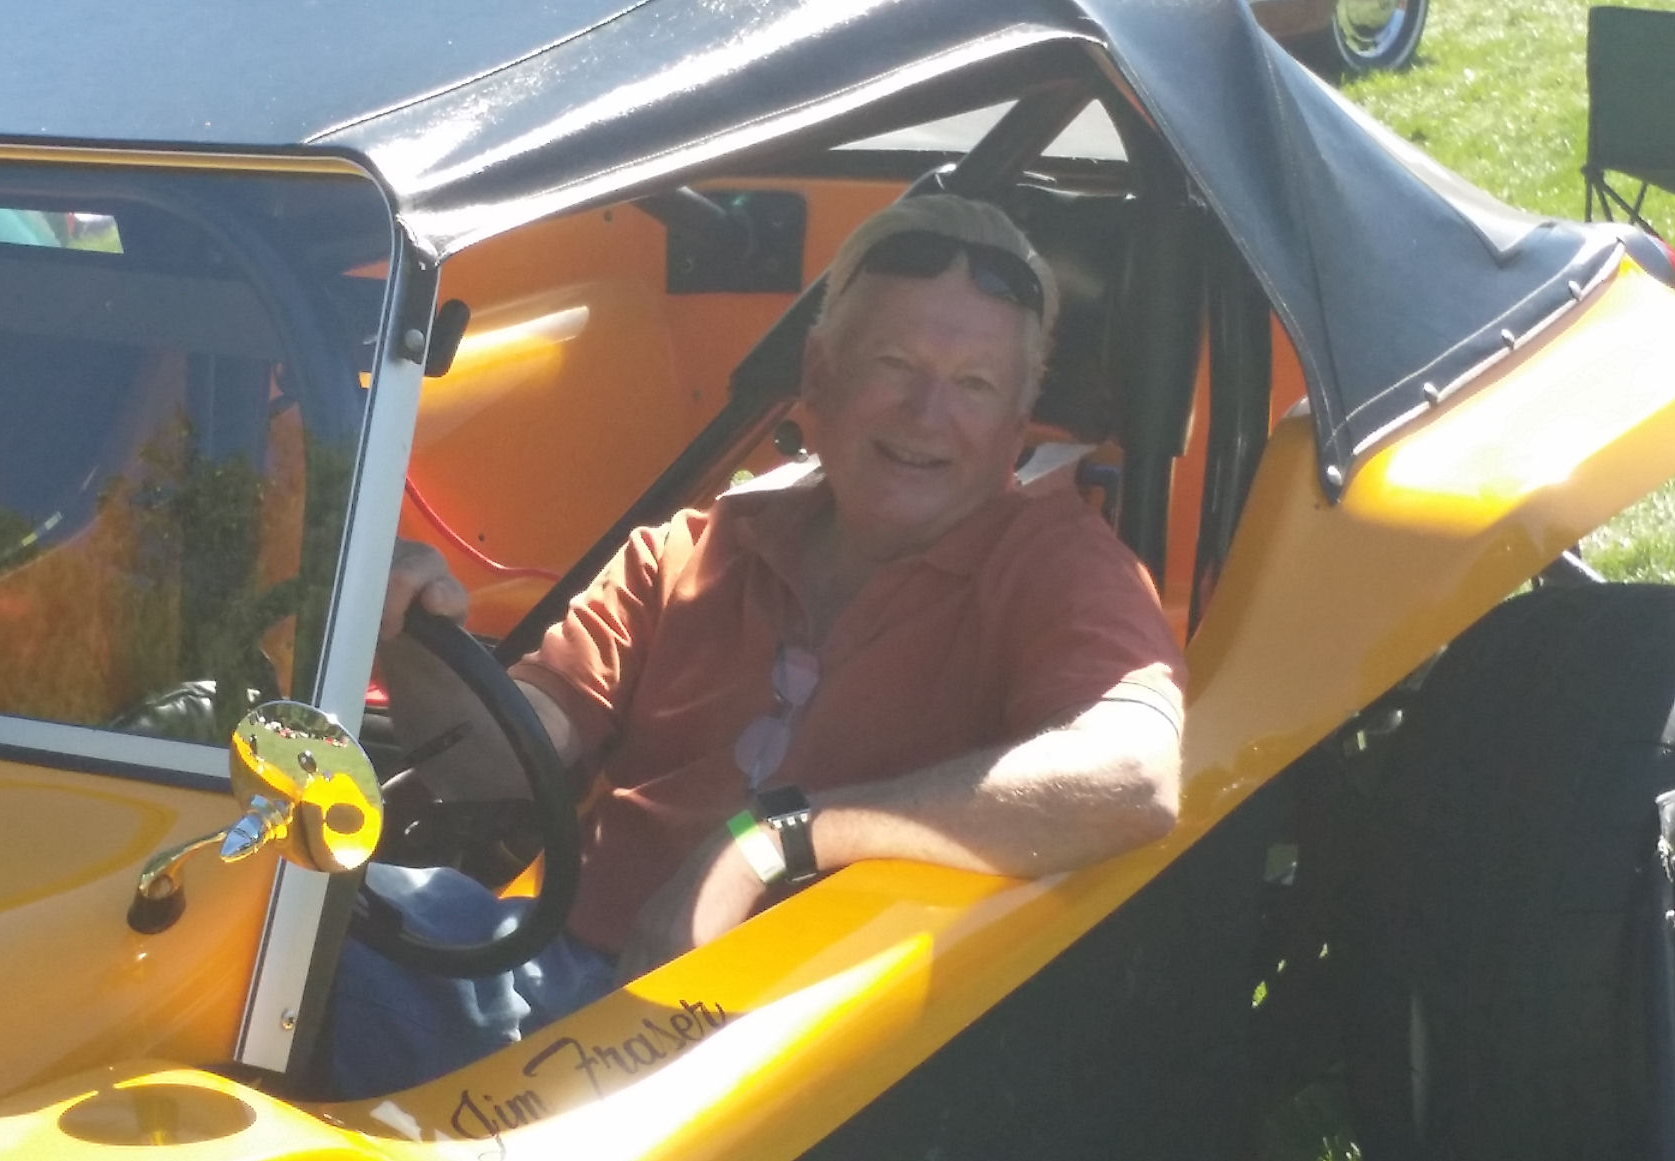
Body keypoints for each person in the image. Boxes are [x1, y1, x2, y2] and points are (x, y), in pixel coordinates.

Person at [336, 194, 1185, 1097]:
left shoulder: (1057, 565)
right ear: (818, 376)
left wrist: (778, 837)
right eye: (895, 365)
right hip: (560, 988)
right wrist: (409, 624)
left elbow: (1136, 777)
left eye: (974, 384)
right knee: (292, 906)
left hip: (809, 1062)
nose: (928, 413)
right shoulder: (696, 548)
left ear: (1018, 424)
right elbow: (492, 762)